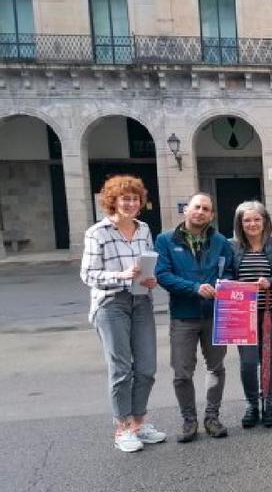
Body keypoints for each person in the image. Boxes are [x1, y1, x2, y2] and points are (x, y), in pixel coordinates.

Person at [80, 175, 166, 452]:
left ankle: (139, 422)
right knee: (121, 369)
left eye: (134, 198)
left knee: (147, 367)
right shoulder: (98, 232)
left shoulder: (143, 229)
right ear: (112, 201)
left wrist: (150, 278)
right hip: (111, 304)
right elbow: (88, 275)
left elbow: (147, 262)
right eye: (124, 198)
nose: (130, 203)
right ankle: (123, 428)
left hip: (141, 300)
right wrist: (122, 276)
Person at [155, 192, 235, 442]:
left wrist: (225, 285)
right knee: (181, 372)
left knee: (216, 367)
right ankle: (189, 420)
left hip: (215, 315)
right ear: (186, 210)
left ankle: (212, 417)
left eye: (206, 209)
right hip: (183, 316)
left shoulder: (221, 241)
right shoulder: (166, 240)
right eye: (196, 207)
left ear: (211, 215)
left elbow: (230, 271)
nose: (200, 212)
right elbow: (162, 274)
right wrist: (193, 288)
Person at [229, 201, 272, 428]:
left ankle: (268, 403)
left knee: (267, 356)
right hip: (242, 313)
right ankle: (252, 405)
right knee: (248, 361)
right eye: (246, 220)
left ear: (265, 221)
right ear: (240, 223)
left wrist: (271, 282)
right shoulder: (233, 247)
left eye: (257, 219)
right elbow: (227, 274)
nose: (252, 223)